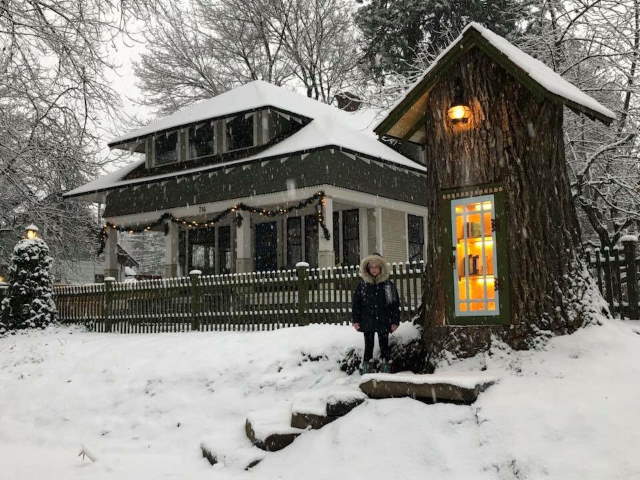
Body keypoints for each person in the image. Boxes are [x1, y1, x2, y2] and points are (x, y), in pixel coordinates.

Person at [351, 253, 400, 374]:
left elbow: (394, 304)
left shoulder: (388, 286)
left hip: (384, 320)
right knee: (368, 345)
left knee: (384, 346)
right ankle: (367, 368)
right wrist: (356, 320)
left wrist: (395, 321)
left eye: (376, 267)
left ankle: (386, 367)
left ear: (381, 268)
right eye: (371, 267)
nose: (374, 269)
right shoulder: (362, 286)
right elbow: (356, 304)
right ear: (367, 268)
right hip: (367, 321)